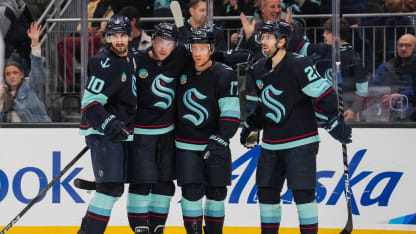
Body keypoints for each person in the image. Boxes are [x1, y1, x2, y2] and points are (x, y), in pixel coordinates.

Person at [240, 20, 352, 234]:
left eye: (269, 37)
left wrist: (332, 119)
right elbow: (266, 105)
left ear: (282, 41)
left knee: (302, 194)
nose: (263, 41)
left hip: (300, 142)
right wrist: (253, 125)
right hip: (270, 145)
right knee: (266, 193)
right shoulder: (259, 69)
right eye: (262, 37)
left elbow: (325, 95)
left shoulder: (299, 64)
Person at [175, 28, 240, 234]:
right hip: (186, 145)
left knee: (216, 193)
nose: (197, 53)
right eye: (194, 48)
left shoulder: (224, 74)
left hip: (216, 144)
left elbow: (231, 113)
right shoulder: (181, 71)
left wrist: (221, 138)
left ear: (211, 49)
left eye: (202, 48)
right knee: (191, 193)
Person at [77, 15, 137, 234]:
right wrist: (109, 123)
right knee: (109, 189)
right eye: (114, 36)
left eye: (123, 35)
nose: (119, 40)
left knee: (111, 188)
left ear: (130, 36)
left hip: (116, 131)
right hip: (104, 132)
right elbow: (89, 104)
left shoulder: (131, 56)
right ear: (108, 37)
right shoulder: (104, 63)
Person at [126, 22, 182, 234]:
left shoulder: (178, 58)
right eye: (160, 41)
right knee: (141, 184)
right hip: (141, 136)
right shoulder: (136, 60)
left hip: (167, 134)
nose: (163, 48)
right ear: (153, 40)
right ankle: (140, 229)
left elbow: (208, 53)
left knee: (165, 184)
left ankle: (157, 228)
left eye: (169, 43)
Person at [290, 18, 369, 121]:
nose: (323, 35)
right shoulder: (323, 49)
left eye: (327, 32)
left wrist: (354, 109)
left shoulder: (351, 56)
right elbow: (302, 48)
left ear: (335, 35)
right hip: (320, 111)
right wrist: (291, 29)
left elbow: (363, 87)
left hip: (343, 112)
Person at [0, 21, 51, 123]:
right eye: (8, 74)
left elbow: (37, 68)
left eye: (15, 72)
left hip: (39, 132)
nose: (12, 76)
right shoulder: (3, 93)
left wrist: (35, 43)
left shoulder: (31, 86)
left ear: (22, 74)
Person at [57, 0, 113, 87]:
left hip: (106, 39)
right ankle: (69, 82)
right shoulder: (92, 5)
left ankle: (92, 81)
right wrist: (88, 30)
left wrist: (104, 31)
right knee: (62, 43)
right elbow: (80, 28)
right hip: (89, 37)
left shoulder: (118, 6)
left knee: (92, 41)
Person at [369, 33, 416, 121]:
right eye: (400, 45)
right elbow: (373, 88)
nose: (403, 48)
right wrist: (382, 97)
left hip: (409, 104)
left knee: (404, 110)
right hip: (385, 104)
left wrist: (399, 96)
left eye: (408, 45)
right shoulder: (386, 67)